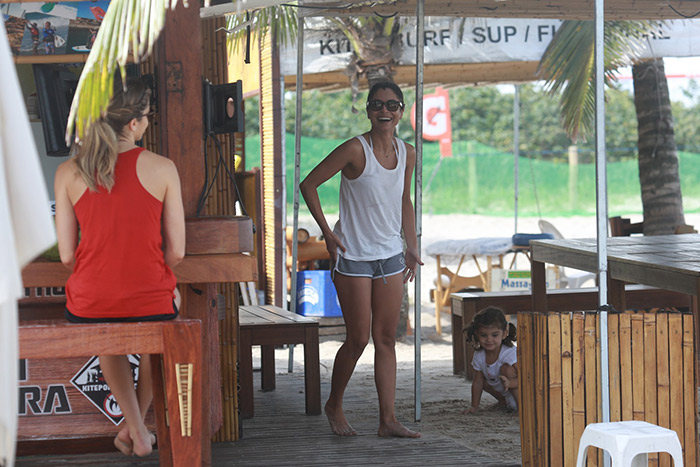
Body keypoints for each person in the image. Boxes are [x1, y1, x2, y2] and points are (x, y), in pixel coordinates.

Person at [54, 76, 185, 457]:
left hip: (90, 300)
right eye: (147, 117)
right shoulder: (163, 168)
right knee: (155, 337)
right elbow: (176, 252)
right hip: (152, 298)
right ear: (133, 124)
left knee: (106, 339)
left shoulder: (68, 172)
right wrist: (157, 277)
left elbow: (66, 255)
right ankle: (138, 428)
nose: (147, 123)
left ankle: (136, 430)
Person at [300, 82, 422, 438]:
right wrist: (327, 232)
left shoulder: (408, 153)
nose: (385, 111)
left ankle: (388, 420)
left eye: (393, 105)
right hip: (352, 255)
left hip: (391, 257)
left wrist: (411, 245)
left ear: (402, 111)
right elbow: (309, 184)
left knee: (386, 338)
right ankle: (334, 403)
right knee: (357, 340)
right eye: (378, 105)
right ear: (368, 111)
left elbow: (403, 201)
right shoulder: (355, 149)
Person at [463, 306, 518, 414]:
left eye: (494, 335)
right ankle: (504, 402)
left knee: (506, 369)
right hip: (505, 396)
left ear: (504, 333)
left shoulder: (510, 353)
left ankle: (522, 409)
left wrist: (510, 383)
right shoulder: (479, 355)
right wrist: (474, 407)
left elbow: (528, 378)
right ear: (477, 334)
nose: (489, 339)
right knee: (482, 380)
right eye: (483, 335)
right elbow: (477, 382)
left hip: (522, 396)